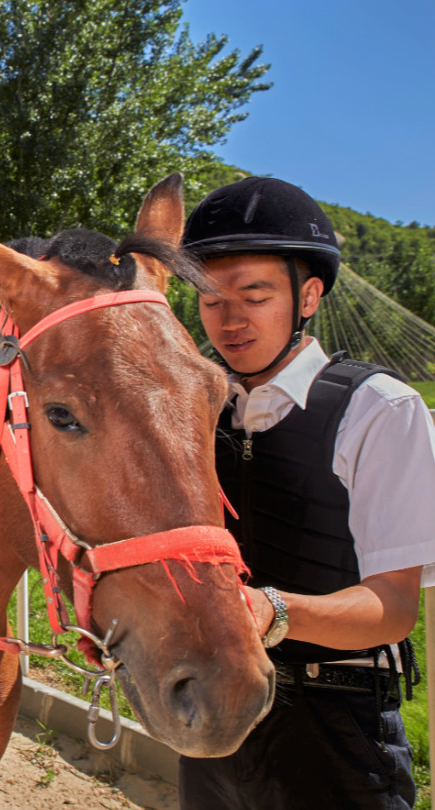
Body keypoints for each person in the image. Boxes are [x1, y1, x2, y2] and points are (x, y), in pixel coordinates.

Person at [176, 177, 435, 809]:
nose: (230, 319)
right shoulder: (194, 408)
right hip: (212, 720)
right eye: (210, 300)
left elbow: (395, 608)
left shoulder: (380, 410)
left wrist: (271, 610)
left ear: (309, 294)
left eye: (255, 296)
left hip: (336, 726)